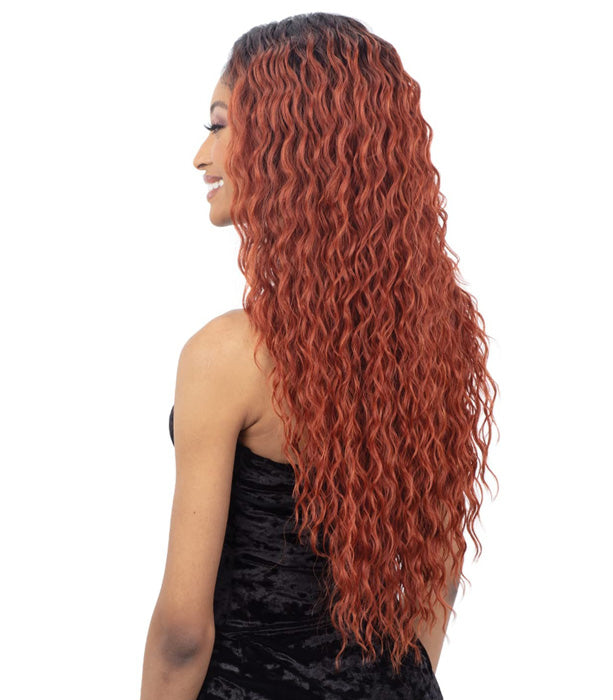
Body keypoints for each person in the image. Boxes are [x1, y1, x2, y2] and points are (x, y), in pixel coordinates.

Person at [140, 12, 498, 700]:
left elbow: (182, 633)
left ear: (287, 140)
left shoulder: (228, 355)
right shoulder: (439, 333)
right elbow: (439, 579)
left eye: (218, 125)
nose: (201, 156)